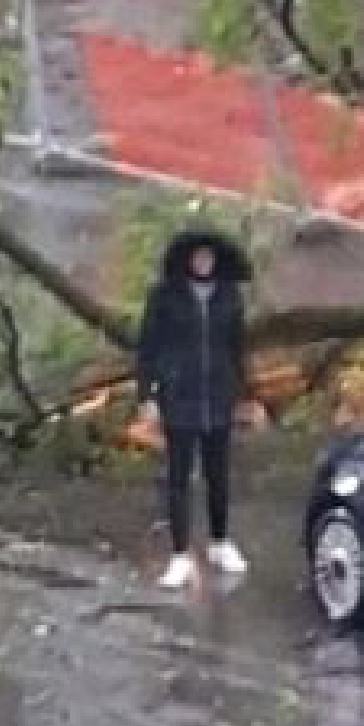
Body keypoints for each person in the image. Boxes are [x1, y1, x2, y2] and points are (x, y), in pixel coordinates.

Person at [136, 228, 254, 589]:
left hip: (218, 396)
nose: (203, 262)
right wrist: (147, 395)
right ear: (187, 260)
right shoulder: (165, 296)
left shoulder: (229, 297)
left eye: (209, 257)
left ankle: (219, 542)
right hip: (179, 396)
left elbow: (237, 348)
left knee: (219, 474)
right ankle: (180, 555)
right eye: (197, 257)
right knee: (178, 479)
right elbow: (148, 347)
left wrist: (245, 392)